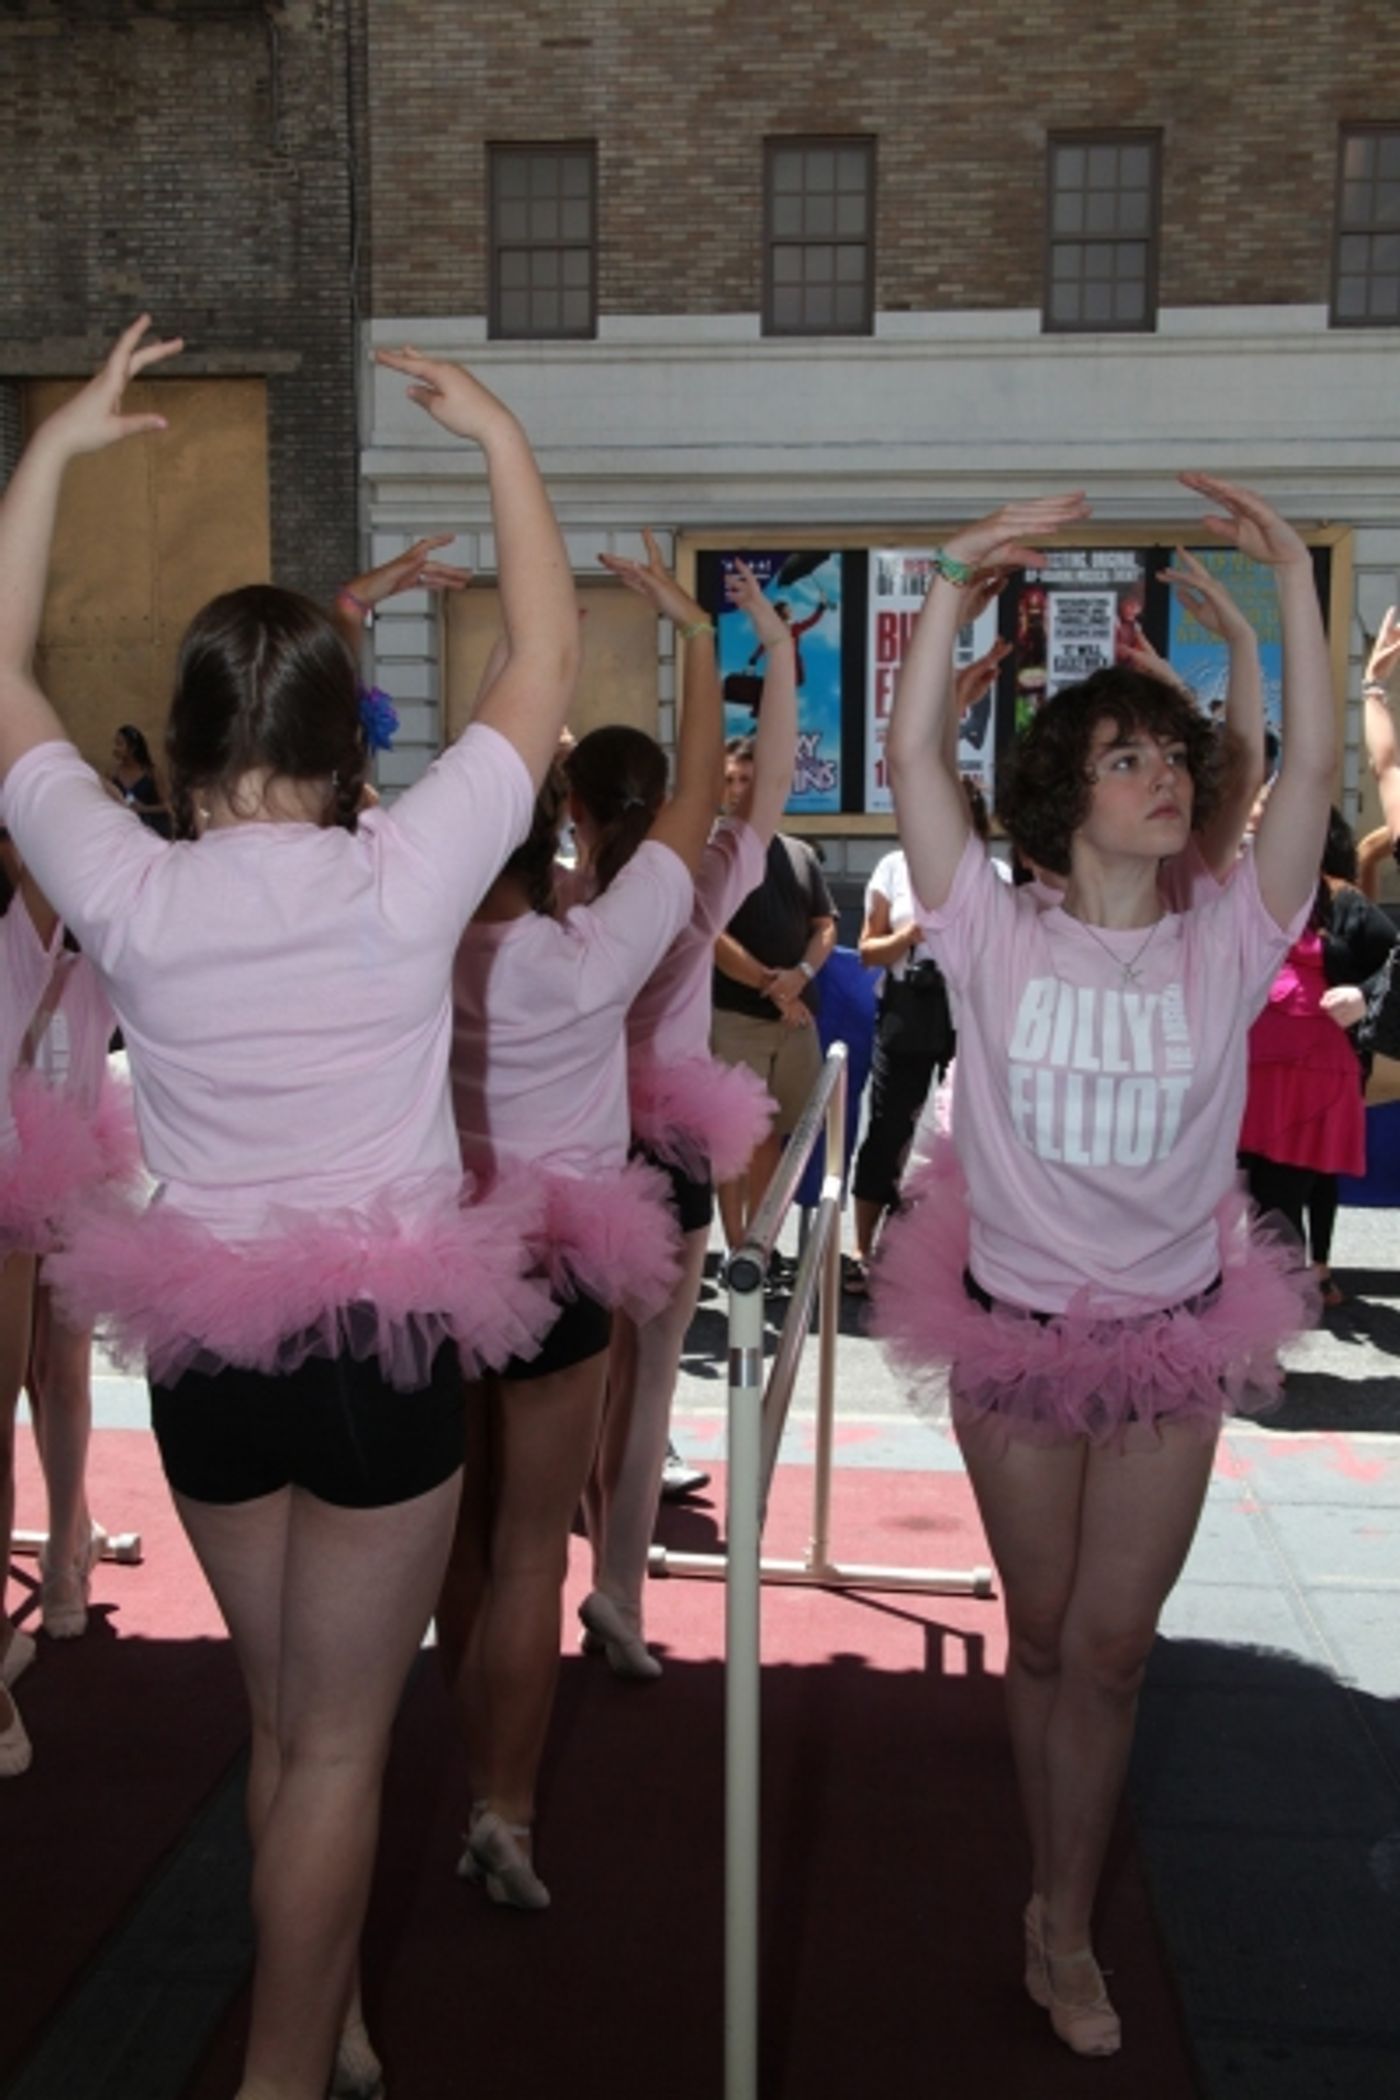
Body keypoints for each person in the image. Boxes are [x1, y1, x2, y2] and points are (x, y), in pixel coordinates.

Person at [0, 318, 578, 2100]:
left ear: (179, 750)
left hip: (211, 1356)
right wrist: (495, 440)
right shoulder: (406, 873)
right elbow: (548, 650)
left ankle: (319, 2005)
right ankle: (273, 2072)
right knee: (337, 1749)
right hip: (382, 1351)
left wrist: (58, 453)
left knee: (279, 1724)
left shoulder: (125, 880)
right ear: (349, 740)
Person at [872, 475, 1330, 2059]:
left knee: (1116, 1651)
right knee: (1047, 1628)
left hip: (1168, 1339)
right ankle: (1047, 1860)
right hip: (1009, 1332)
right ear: (1068, 791)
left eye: (1173, 758)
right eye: (1126, 756)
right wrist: (946, 581)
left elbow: (1309, 773)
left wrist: (1284, 584)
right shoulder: (993, 933)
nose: (1162, 776)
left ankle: (1062, 1921)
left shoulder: (1224, 937)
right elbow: (919, 759)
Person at [437, 529, 719, 1903]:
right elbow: (687, 814)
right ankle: (508, 1806)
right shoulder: (590, 957)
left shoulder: (396, 954)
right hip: (554, 1271)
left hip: (435, 1262)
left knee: (455, 1536)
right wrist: (705, 648)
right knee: (527, 1552)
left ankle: (453, 1764)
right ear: (551, 833)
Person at [578, 553, 797, 1678]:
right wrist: (775, 646)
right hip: (659, 1148)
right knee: (649, 1379)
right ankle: (616, 1583)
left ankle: (561, 1567)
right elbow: (761, 792)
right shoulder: (692, 880)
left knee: (578, 1382)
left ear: (574, 807)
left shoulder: (562, 903)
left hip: (568, 1150)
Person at [0, 834, 139, 1774]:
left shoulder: (97, 944)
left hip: (80, 1164)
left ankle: (63, 1557)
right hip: (9, 1176)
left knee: (68, 1372)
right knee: (15, 1391)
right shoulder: (10, 935)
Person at [848, 626, 1009, 1292]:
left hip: (971, 1020)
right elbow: (866, 951)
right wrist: (913, 933)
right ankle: (863, 1252)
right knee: (888, 1130)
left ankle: (954, 1254)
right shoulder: (892, 867)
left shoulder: (996, 880)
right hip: (908, 1009)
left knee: (969, 1143)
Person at [1238, 806, 1395, 1308]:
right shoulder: (1231, 889)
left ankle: (1268, 1333)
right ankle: (1231, 1325)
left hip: (1308, 1081)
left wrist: (1364, 997)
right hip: (1237, 1074)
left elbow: (1394, 964)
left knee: (1278, 1207)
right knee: (1234, 1206)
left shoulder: (1339, 899)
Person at [711, 745, 838, 1251]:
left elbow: (825, 925)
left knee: (772, 1136)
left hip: (793, 1022)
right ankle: (735, 1242)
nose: (740, 790)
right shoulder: (713, 854)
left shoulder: (800, 854)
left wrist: (802, 973)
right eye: (732, 780)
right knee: (732, 1138)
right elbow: (712, 936)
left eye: (749, 780)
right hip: (737, 1017)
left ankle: (758, 1244)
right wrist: (776, 987)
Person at [107, 723, 171, 836]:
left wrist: (144, 809)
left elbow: (168, 806)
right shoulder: (113, 774)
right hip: (124, 831)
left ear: (132, 748)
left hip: (152, 830)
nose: (115, 748)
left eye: (120, 744)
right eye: (115, 743)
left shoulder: (152, 772)